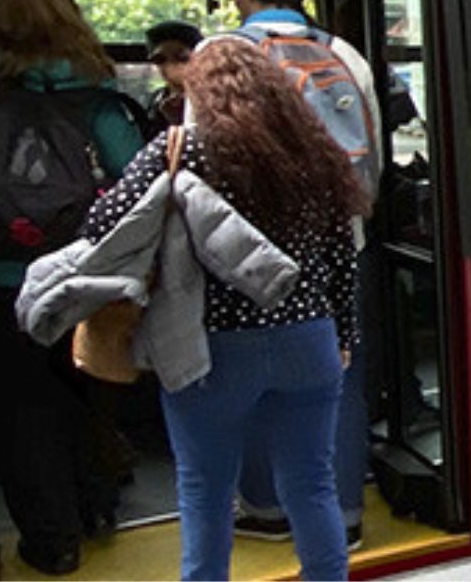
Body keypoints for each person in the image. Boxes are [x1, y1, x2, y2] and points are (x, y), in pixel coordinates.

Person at [77, 39, 367, 581]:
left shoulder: (180, 150)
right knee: (311, 483)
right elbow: (340, 258)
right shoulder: (314, 154)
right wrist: (344, 336)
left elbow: (102, 226)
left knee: (205, 489)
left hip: (211, 347)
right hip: (310, 339)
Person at [0, 0, 145, 576]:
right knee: (86, 390)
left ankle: (52, 540)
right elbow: (134, 180)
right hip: (84, 270)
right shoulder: (94, 83)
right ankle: (98, 506)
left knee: (19, 407)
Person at [219, 0, 383, 551]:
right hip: (340, 244)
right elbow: (373, 162)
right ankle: (343, 515)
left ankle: (266, 509)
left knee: (253, 380)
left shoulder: (224, 56)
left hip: (252, 254)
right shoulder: (345, 56)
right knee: (339, 376)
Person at [145, 19, 203, 133]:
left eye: (182, 59)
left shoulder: (214, 100)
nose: (171, 69)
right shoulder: (156, 103)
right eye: (160, 60)